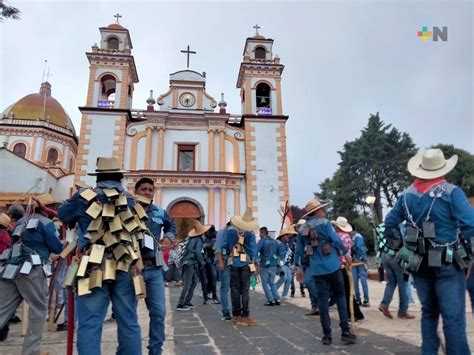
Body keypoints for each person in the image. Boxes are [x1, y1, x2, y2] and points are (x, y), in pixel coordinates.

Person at [385, 148, 473, 354]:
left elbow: (390, 224)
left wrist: (401, 247)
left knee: (428, 314)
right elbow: (471, 224)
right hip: (448, 262)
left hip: (419, 262)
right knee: (453, 318)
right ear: (442, 169)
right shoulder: (451, 192)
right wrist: (470, 254)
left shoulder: (406, 196)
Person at [58, 157, 142, 355]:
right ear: (119, 177)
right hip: (124, 261)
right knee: (128, 321)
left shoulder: (83, 195)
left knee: (90, 322)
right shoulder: (130, 198)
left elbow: (63, 214)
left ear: (98, 177)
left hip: (92, 261)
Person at [0, 196, 63, 354]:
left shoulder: (22, 221)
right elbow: (56, 247)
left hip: (11, 268)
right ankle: (31, 352)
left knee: (3, 311)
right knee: (38, 310)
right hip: (32, 270)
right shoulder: (47, 223)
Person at [295, 199, 356, 346]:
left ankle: (327, 335)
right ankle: (345, 331)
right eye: (322, 209)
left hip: (316, 269)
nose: (325, 211)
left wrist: (299, 269)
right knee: (341, 296)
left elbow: (298, 251)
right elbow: (336, 240)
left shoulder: (302, 229)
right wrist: (346, 254)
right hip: (332, 266)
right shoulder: (325, 223)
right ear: (317, 211)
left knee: (322, 301)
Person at [134, 177, 177, 355]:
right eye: (143, 189)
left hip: (154, 269)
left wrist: (168, 237)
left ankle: (155, 350)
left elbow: (172, 226)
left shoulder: (160, 212)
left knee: (159, 313)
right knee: (128, 314)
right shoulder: (127, 209)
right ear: (136, 192)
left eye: (150, 190)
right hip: (133, 270)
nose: (147, 192)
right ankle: (130, 349)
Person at [222, 207, 258, 326]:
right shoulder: (250, 233)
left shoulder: (231, 230)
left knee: (234, 289)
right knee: (245, 289)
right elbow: (253, 250)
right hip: (246, 262)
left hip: (233, 261)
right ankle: (245, 315)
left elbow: (226, 246)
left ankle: (236, 315)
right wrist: (254, 262)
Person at [331, 217, 364, 322]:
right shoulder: (348, 237)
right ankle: (355, 312)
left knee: (344, 291)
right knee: (348, 290)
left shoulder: (337, 237)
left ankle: (352, 313)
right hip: (346, 264)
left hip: (340, 265)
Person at [176, 221, 209, 311]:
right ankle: (181, 303)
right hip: (190, 263)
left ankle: (187, 301)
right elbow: (198, 252)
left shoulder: (190, 238)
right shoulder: (198, 239)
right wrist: (202, 262)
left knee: (194, 281)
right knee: (188, 283)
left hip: (188, 262)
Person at [257, 226, 281, 306]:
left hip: (264, 265)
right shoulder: (275, 242)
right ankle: (277, 298)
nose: (259, 234)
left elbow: (256, 250)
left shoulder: (262, 241)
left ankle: (270, 299)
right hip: (273, 265)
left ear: (262, 233)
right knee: (272, 282)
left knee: (265, 283)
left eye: (260, 233)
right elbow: (278, 253)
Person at [215, 222, 232, 321]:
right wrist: (220, 260)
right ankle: (225, 311)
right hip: (225, 260)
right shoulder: (222, 232)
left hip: (235, 261)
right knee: (225, 287)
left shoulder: (237, 232)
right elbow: (218, 247)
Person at [350, 227, 370, 307]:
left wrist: (363, 260)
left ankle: (366, 299)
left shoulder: (358, 237)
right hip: (354, 261)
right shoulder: (351, 238)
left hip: (360, 261)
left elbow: (361, 249)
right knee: (355, 281)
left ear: (353, 230)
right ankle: (358, 298)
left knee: (363, 280)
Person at [275, 227, 295, 299]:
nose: (288, 237)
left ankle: (284, 294)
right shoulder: (277, 243)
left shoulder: (286, 244)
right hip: (280, 263)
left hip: (287, 263)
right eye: (287, 235)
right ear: (283, 236)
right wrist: (278, 262)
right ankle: (273, 291)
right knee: (284, 277)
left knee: (289, 278)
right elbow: (274, 253)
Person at [201, 226, 219, 304]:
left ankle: (213, 295)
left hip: (212, 260)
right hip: (204, 260)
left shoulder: (215, 236)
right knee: (205, 280)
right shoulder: (203, 237)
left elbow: (217, 247)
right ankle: (206, 296)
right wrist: (206, 246)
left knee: (213, 278)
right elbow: (200, 247)